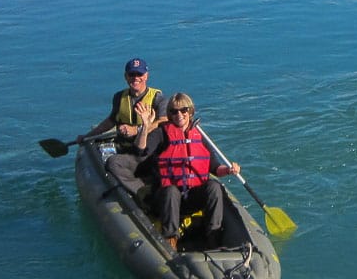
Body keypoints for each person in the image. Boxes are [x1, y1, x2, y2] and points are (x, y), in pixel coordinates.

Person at [132, 92, 239, 252]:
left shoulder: (199, 135)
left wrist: (229, 170)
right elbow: (140, 151)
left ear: (190, 112)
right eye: (174, 111)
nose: (179, 115)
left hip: (191, 198)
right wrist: (145, 127)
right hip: (166, 200)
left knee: (214, 186)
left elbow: (216, 168)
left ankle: (213, 236)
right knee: (171, 191)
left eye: (183, 110)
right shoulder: (162, 133)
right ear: (169, 114)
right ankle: (170, 239)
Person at [80, 57, 166, 199]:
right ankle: (140, 189)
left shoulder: (158, 98)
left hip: (148, 153)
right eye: (132, 74)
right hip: (127, 153)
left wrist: (136, 130)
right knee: (112, 163)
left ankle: (144, 191)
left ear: (146, 76)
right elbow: (111, 120)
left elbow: (163, 121)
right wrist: (88, 136)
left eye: (139, 74)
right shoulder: (119, 97)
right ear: (126, 76)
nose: (135, 78)